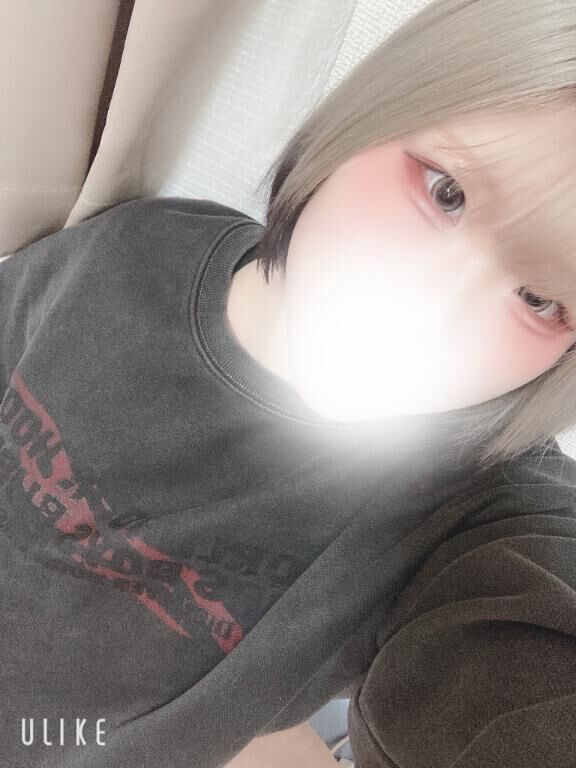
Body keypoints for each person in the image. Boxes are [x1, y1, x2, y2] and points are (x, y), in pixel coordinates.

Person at [2, 0, 576, 766]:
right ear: (377, 108)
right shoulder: (132, 248)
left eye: (539, 300)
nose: (439, 315)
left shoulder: (471, 516)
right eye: (446, 193)